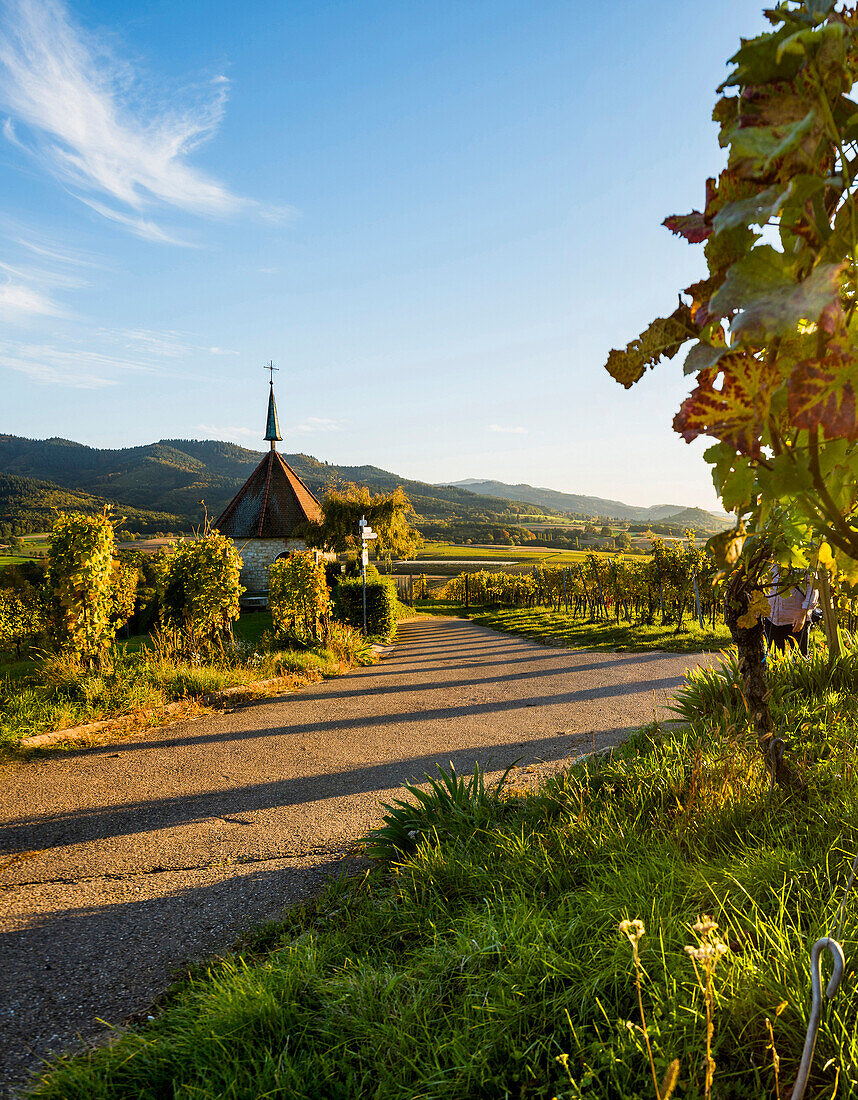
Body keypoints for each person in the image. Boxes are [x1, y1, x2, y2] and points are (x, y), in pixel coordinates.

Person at [764, 566, 819, 657]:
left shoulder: (804, 561)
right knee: (774, 659)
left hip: (796, 622)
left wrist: (803, 614)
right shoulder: (768, 560)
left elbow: (813, 589)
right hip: (771, 620)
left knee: (798, 659)